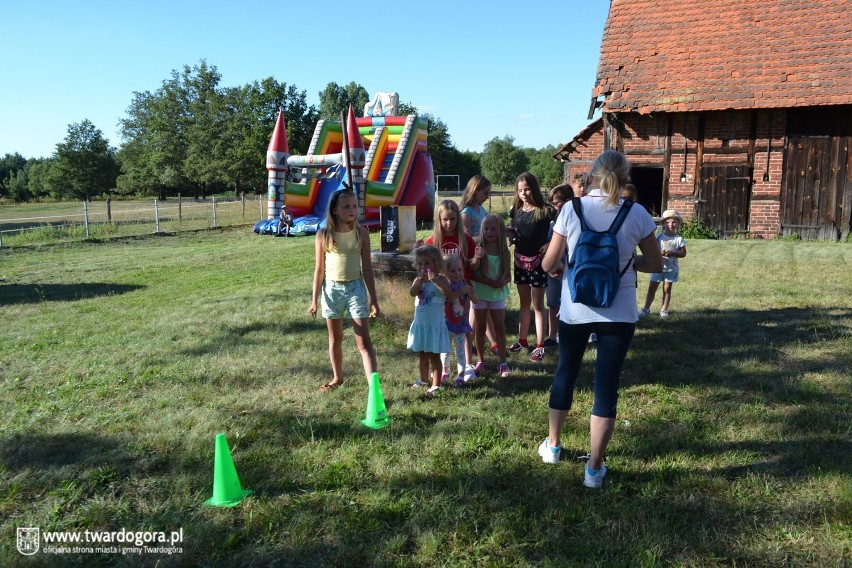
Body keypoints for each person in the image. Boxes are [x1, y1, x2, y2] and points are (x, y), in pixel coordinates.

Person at [539, 150, 663, 489]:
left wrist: (568, 266)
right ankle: (594, 469)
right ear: (625, 179)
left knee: (566, 372)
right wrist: (626, 263)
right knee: (605, 386)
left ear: (591, 175)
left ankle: (552, 446)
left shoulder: (571, 209)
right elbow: (655, 264)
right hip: (619, 311)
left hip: (575, 309)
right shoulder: (636, 213)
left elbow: (549, 264)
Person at [308, 189, 380, 392]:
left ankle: (373, 387)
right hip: (331, 291)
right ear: (335, 210)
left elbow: (367, 268)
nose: (352, 210)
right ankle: (337, 378)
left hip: (356, 288)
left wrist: (373, 299)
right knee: (335, 339)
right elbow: (319, 270)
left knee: (364, 342)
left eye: (355, 206)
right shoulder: (323, 235)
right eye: (346, 206)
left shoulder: (362, 234)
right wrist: (314, 300)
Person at [425, 199, 480, 377]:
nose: (449, 223)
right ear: (439, 220)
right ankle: (444, 368)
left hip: (462, 292)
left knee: (463, 326)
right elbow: (425, 265)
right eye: (445, 219)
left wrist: (477, 258)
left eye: (453, 219)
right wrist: (419, 249)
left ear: (458, 219)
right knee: (444, 329)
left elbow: (471, 267)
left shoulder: (466, 240)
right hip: (441, 292)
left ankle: (467, 365)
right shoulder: (433, 241)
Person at [507, 172, 555, 363]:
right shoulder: (516, 210)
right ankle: (523, 340)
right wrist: (510, 234)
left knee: (537, 304)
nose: (523, 194)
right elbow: (515, 229)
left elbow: (563, 230)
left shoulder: (546, 211)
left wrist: (550, 243)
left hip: (538, 262)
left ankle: (540, 344)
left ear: (534, 188)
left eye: (526, 189)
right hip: (519, 260)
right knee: (524, 303)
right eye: (519, 190)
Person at [470, 214, 512, 377]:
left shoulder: (504, 251)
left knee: (499, 328)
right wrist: (488, 281)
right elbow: (472, 273)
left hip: (497, 295)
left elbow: (508, 275)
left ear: (501, 230)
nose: (489, 232)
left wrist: (503, 281)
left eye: (493, 228)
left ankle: (502, 362)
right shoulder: (479, 247)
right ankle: (480, 360)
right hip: (480, 293)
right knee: (479, 328)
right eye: (486, 228)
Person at [408, 245, 453, 395]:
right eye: (420, 264)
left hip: (434, 325)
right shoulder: (418, 280)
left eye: (427, 263)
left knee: (434, 355)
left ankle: (436, 384)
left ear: (436, 264)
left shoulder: (441, 279)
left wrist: (437, 282)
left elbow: (448, 293)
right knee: (422, 354)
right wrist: (419, 282)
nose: (423, 267)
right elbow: (412, 292)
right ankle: (423, 379)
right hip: (421, 324)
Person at [640, 209, 687, 319]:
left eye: (674, 222)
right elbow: (651, 249)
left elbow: (683, 253)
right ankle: (646, 309)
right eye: (668, 222)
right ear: (663, 224)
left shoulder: (679, 239)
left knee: (667, 289)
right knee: (652, 288)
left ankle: (664, 309)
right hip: (657, 267)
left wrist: (672, 253)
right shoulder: (658, 237)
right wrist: (658, 251)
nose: (671, 224)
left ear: (678, 224)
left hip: (671, 269)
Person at [441, 254, 479, 386]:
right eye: (452, 271)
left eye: (460, 270)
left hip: (460, 325)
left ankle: (461, 375)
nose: (457, 273)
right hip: (446, 324)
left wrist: (472, 293)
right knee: (445, 350)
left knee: (460, 351)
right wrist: (459, 292)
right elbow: (448, 299)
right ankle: (445, 372)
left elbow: (475, 301)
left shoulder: (465, 284)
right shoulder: (445, 286)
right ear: (445, 272)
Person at [544, 184, 573, 348]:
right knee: (553, 302)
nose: (554, 207)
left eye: (556, 203)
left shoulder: (576, 219)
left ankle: (569, 334)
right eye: (552, 204)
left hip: (570, 267)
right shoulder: (553, 221)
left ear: (567, 201)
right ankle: (552, 335)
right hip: (554, 268)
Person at [459, 175, 491, 242]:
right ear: (475, 191)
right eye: (485, 193)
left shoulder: (481, 209)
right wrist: (488, 237)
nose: (488, 197)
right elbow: (468, 239)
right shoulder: (466, 213)